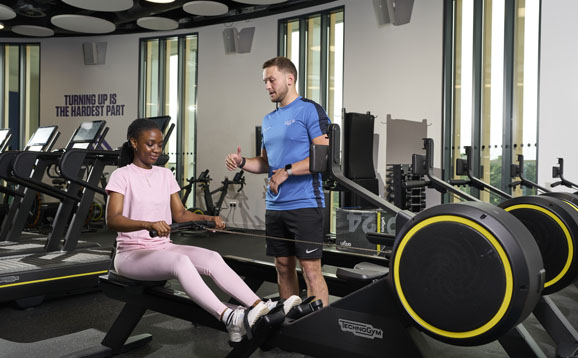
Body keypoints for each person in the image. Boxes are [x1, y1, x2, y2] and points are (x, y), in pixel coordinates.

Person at [106, 118, 301, 343]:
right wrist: (147, 224)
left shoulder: (164, 174)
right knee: (181, 263)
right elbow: (113, 219)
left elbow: (180, 214)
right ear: (133, 143)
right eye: (150, 144)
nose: (156, 150)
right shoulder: (122, 176)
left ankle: (260, 307)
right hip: (131, 255)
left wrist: (209, 218)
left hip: (162, 248)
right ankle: (228, 316)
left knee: (212, 256)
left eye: (160, 145)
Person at [225, 56, 329, 307]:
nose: (267, 86)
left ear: (290, 78)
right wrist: (241, 162)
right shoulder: (269, 120)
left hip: (305, 203)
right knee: (282, 266)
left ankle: (320, 325)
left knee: (310, 269)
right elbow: (264, 163)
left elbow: (322, 157)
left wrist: (288, 171)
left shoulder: (309, 110)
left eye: (272, 80)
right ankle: (290, 322)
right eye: (265, 82)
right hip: (275, 206)